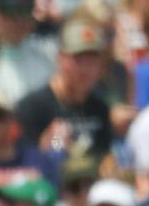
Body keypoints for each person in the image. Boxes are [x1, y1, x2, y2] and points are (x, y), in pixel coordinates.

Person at [14, 16, 116, 162]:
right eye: (78, 59)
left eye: (92, 60)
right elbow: (22, 161)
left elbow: (103, 155)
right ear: (60, 58)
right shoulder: (32, 108)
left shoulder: (99, 107)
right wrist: (53, 145)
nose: (85, 69)